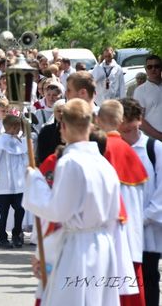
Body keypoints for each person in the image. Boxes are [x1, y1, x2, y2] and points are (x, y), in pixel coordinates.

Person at [22, 98, 121, 305]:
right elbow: (115, 215)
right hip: (104, 246)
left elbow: (58, 211)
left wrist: (35, 181)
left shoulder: (69, 162)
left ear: (63, 126)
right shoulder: (105, 164)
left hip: (78, 249)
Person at [97, 99, 148, 305]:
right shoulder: (129, 151)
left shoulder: (101, 149)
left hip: (110, 236)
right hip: (133, 236)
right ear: (120, 121)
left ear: (99, 120)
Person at [119, 97, 162, 306]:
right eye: (121, 130)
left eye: (129, 130)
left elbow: (161, 192)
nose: (125, 135)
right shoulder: (113, 149)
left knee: (149, 280)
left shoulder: (155, 149)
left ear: (139, 121)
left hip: (147, 232)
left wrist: (140, 219)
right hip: (119, 231)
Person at [0, 114, 27, 249]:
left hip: (19, 184)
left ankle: (16, 233)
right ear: (13, 127)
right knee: (2, 213)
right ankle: (2, 236)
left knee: (21, 208)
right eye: (18, 127)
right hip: (4, 184)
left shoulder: (19, 141)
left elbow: (25, 159)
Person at [133, 54, 162, 141]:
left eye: (156, 66)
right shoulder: (140, 91)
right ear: (146, 69)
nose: (153, 69)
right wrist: (159, 136)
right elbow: (139, 119)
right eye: (150, 67)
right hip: (153, 140)